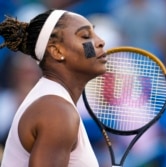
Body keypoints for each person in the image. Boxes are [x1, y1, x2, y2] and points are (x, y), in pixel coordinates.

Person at [0, 9, 106, 167]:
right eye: (85, 36)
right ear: (56, 51)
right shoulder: (57, 112)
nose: (100, 42)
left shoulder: (53, 102)